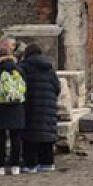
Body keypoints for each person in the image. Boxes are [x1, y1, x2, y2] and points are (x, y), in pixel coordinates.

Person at [19, 44, 61, 174]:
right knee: (46, 134)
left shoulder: (23, 67)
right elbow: (57, 87)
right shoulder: (49, 68)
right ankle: (47, 162)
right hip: (47, 106)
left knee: (30, 135)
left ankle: (30, 164)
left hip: (30, 106)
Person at [0, 47, 26, 176]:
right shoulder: (19, 69)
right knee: (16, 139)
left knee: (0, 139)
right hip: (17, 109)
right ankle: (15, 167)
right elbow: (25, 88)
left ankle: (0, 167)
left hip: (0, 109)